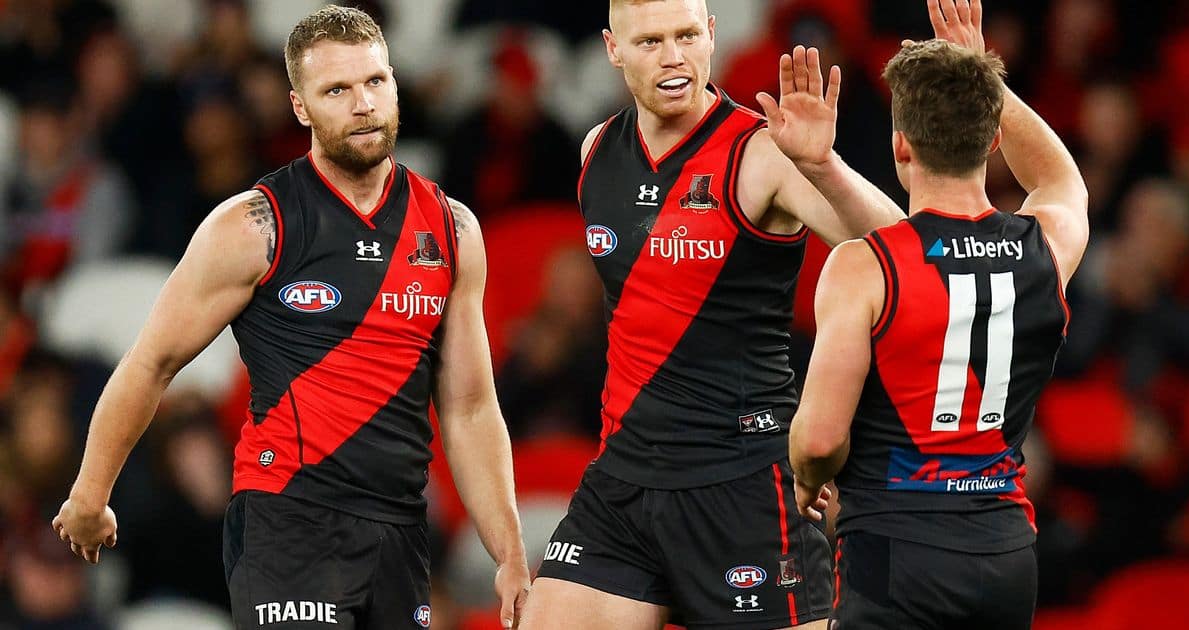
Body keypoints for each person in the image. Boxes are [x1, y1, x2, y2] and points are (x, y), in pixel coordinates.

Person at [50, 6, 530, 629]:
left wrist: (509, 552)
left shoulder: (452, 229)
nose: (363, 104)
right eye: (337, 90)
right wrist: (90, 496)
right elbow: (152, 363)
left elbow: (469, 407)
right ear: (300, 107)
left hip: (398, 528)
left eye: (375, 81)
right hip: (287, 518)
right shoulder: (254, 226)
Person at [520, 1, 905, 628]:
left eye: (687, 36)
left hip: (743, 482)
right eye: (650, 42)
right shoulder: (598, 149)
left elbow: (903, 253)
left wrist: (822, 166)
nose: (673, 57)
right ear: (613, 49)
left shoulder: (763, 151)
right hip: (624, 479)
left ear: (712, 35)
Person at [787, 1, 1089, 629]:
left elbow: (818, 441)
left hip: (896, 552)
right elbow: (1062, 179)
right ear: (994, 138)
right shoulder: (1046, 246)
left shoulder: (863, 267)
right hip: (1006, 555)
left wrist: (808, 479)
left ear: (901, 143)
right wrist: (985, 77)